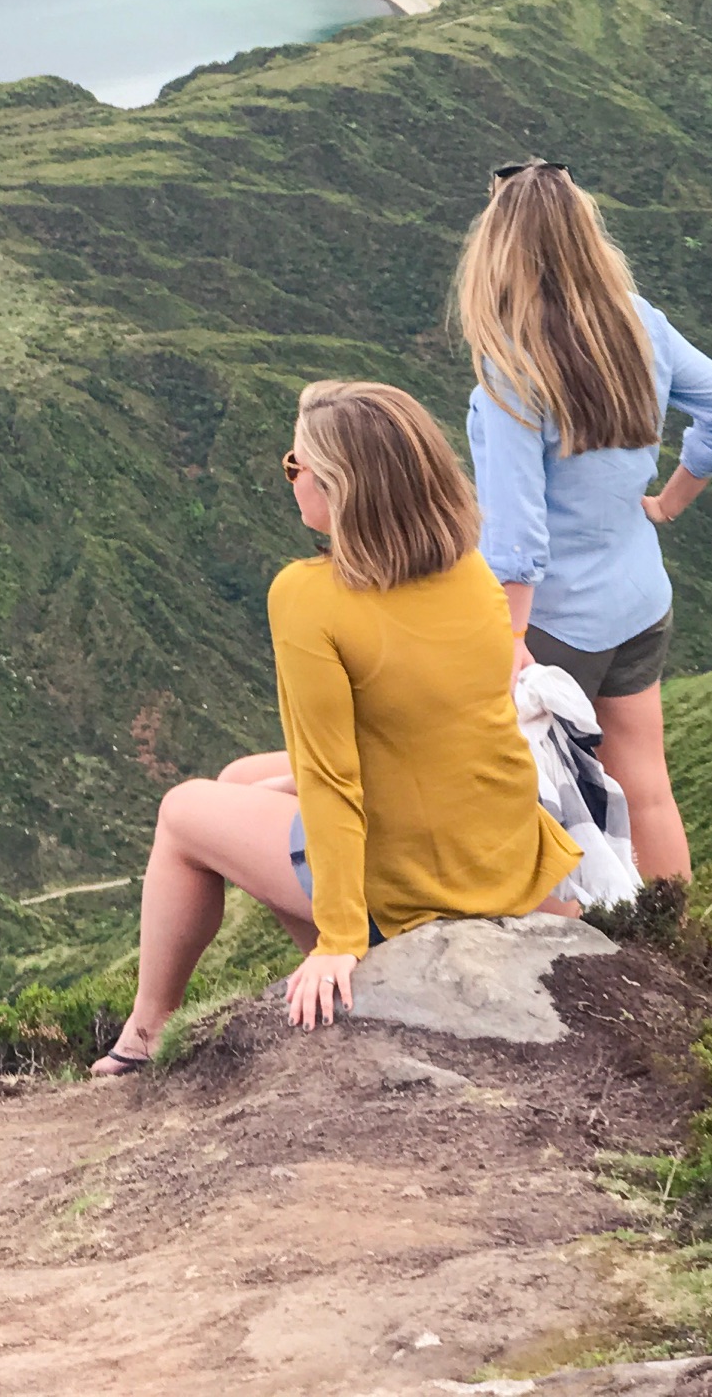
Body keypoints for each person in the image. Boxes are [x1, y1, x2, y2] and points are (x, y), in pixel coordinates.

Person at [93, 379, 580, 1072]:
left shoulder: (308, 597)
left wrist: (340, 941)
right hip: (501, 852)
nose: (290, 479)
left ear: (337, 487)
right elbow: (437, 728)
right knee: (238, 781)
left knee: (181, 814)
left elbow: (331, 777)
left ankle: (143, 1038)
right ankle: (350, 967)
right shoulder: (471, 570)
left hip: (417, 880)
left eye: (296, 466)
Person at [456, 158, 712, 880]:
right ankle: (676, 950)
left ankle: (567, 967)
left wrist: (511, 640)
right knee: (646, 786)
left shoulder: (510, 365)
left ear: (496, 250)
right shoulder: (639, 323)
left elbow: (518, 530)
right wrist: (667, 502)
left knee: (534, 804)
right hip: (640, 599)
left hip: (553, 622)